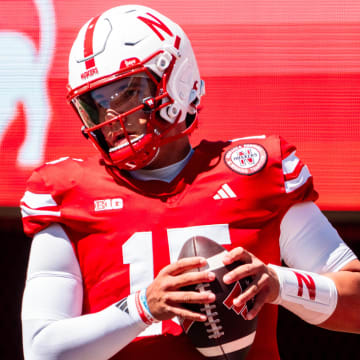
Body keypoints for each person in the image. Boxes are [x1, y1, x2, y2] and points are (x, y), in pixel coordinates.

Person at [20, 4, 360, 360]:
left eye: (126, 92)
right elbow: (42, 350)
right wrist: (143, 308)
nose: (110, 114)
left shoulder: (257, 172)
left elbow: (355, 299)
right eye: (96, 102)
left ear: (177, 79)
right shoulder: (67, 191)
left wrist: (280, 284)